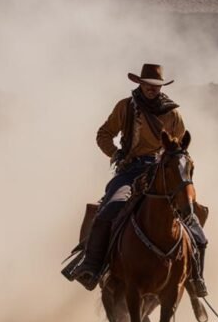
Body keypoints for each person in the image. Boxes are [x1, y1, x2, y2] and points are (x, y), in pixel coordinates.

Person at [70, 63, 209, 295]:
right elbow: (104, 134)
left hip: (163, 172)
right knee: (109, 210)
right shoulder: (126, 107)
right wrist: (116, 154)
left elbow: (181, 148)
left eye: (156, 86)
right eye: (148, 85)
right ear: (140, 84)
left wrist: (177, 167)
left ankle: (196, 279)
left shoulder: (173, 114)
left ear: (161, 87)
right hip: (130, 170)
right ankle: (91, 267)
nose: (152, 89)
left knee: (193, 217)